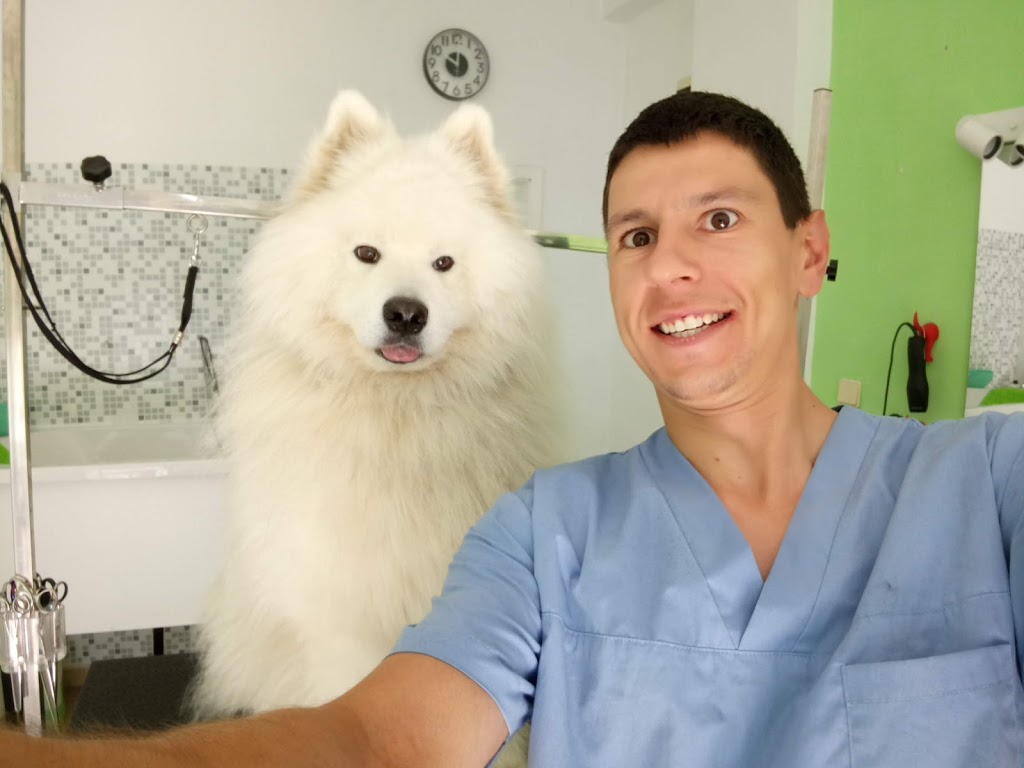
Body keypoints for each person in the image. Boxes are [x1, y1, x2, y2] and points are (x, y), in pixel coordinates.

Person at [3, 90, 1023, 766]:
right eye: (637, 235)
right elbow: (378, 739)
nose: (673, 265)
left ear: (808, 252)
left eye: (718, 220)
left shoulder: (988, 479)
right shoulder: (543, 532)